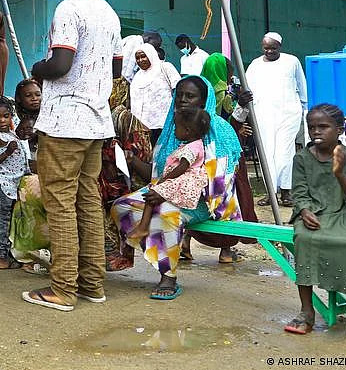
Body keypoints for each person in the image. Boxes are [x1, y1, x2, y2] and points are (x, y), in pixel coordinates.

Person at [21, 0, 122, 312]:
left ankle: (62, 289)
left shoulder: (68, 9)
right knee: (87, 202)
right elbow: (114, 71)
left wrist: (38, 68)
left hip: (65, 122)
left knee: (60, 204)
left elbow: (61, 64)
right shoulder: (109, 14)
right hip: (96, 122)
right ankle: (93, 284)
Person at [112, 76, 243, 300]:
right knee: (121, 206)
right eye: (179, 95)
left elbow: (222, 179)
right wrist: (133, 161)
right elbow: (158, 174)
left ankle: (168, 277)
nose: (182, 100)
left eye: (189, 96)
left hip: (201, 200)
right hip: (165, 191)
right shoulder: (171, 128)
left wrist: (178, 190)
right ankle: (154, 246)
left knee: (166, 215)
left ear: (203, 101)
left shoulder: (220, 130)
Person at [283, 104, 346, 342]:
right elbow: (300, 192)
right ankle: (307, 311)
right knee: (304, 238)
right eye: (312, 127)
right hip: (315, 215)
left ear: (339, 129)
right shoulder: (302, 158)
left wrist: (339, 174)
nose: (316, 131)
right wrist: (304, 210)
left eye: (323, 126)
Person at [182, 53, 258, 264]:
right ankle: (226, 249)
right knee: (226, 199)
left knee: (194, 199)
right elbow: (229, 122)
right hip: (222, 155)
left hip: (196, 156)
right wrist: (242, 107)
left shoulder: (195, 92)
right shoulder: (221, 95)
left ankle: (185, 243)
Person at [127, 108, 210, 240]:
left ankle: (143, 227)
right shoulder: (195, 144)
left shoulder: (191, 148)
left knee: (153, 194)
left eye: (177, 127)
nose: (174, 130)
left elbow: (183, 166)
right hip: (185, 179)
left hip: (183, 180)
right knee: (154, 193)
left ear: (187, 131)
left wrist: (166, 179)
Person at [246, 32, 307, 207]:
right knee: (267, 153)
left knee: (285, 153)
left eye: (273, 48)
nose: (269, 51)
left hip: (288, 114)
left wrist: (303, 108)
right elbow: (247, 89)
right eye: (266, 48)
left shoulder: (292, 61)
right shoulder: (255, 65)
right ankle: (270, 193)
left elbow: (301, 86)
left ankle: (286, 193)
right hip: (263, 114)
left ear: (279, 46)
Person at [99, 77, 151, 272]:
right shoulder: (99, 117)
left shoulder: (128, 121)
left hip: (120, 182)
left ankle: (114, 255)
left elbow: (140, 158)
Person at [0, 97, 29, 269]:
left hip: (13, 182)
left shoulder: (11, 134)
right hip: (2, 182)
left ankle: (4, 253)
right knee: (2, 219)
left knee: (9, 218)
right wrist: (7, 153)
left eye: (6, 116)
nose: (2, 120)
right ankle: (2, 256)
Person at [130, 43, 180, 145]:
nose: (140, 60)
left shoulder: (164, 68)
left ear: (151, 55)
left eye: (143, 56)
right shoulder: (137, 77)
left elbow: (178, 90)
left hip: (163, 124)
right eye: (137, 58)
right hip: (142, 127)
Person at [14, 79, 41, 154]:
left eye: (38, 95)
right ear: (19, 98)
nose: (34, 99)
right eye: (28, 95)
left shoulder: (48, 115)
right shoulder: (14, 118)